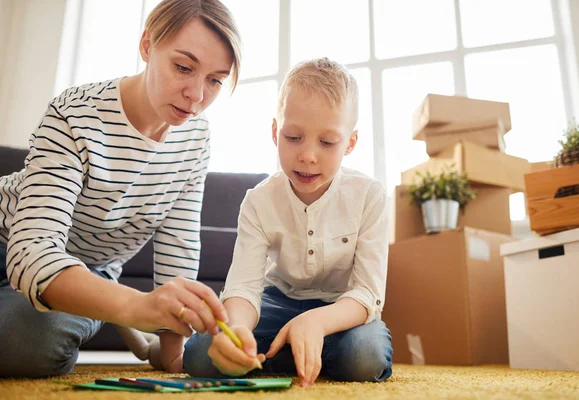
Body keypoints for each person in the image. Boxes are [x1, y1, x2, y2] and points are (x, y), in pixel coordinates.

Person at [0, 0, 241, 378]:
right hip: (9, 242)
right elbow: (30, 254)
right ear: (147, 46)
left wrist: (172, 353)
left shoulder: (196, 137)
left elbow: (177, 250)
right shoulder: (74, 113)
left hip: (90, 273)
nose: (196, 95)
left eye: (215, 80)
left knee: (26, 343)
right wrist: (140, 307)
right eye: (183, 67)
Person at [183, 58, 393, 386]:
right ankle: (298, 350)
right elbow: (244, 287)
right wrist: (238, 328)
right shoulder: (258, 200)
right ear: (274, 132)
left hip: (340, 309)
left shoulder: (370, 196)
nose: (308, 155)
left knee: (363, 357)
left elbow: (367, 292)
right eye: (293, 137)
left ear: (350, 143)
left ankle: (294, 348)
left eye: (327, 142)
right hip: (277, 301)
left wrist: (318, 322)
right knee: (200, 353)